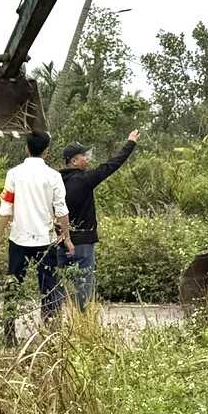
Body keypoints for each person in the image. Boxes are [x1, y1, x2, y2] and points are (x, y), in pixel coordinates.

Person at [0, 129, 73, 345]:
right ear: (47, 151)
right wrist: (67, 236)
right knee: (48, 289)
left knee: (13, 287)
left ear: (27, 148)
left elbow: (5, 209)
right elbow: (62, 211)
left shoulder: (14, 174)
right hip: (45, 242)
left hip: (18, 240)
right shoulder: (54, 176)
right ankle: (49, 336)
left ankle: (9, 336)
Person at [56, 130, 140, 310]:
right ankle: (82, 324)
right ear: (74, 161)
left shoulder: (55, 180)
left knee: (55, 286)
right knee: (84, 288)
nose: (88, 159)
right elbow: (112, 164)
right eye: (84, 156)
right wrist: (130, 143)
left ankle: (52, 321)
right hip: (83, 243)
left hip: (59, 241)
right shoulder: (85, 179)